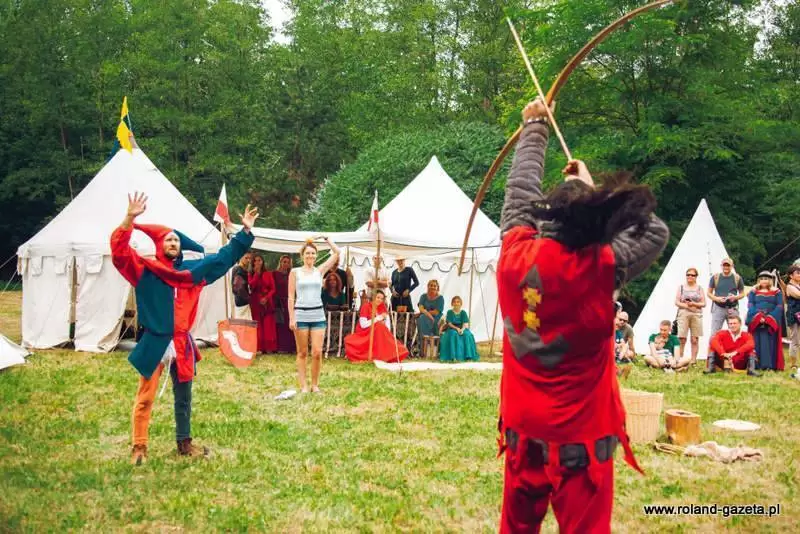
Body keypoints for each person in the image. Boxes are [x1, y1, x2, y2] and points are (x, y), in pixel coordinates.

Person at [496, 98, 669, 533]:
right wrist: (594, 194)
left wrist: (535, 126)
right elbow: (655, 229)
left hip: (523, 429)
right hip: (583, 439)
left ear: (547, 219)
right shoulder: (600, 265)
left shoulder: (514, 254)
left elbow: (519, 196)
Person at [111, 192, 256, 465]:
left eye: (176, 240)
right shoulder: (145, 270)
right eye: (168, 239)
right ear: (159, 244)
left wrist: (245, 233)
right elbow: (120, 253)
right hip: (155, 340)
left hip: (182, 342)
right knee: (146, 397)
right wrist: (129, 219)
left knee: (184, 397)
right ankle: (139, 446)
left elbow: (223, 259)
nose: (173, 243)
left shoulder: (193, 271)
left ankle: (184, 443)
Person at [288, 237, 340, 393]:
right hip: (301, 315)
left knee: (317, 352)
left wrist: (327, 239)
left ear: (316, 256)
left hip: (318, 315)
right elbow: (290, 296)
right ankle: (303, 385)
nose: (310, 256)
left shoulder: (320, 271)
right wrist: (292, 317)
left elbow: (337, 252)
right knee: (302, 352)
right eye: (307, 253)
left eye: (313, 253)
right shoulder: (295, 272)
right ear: (302, 255)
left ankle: (315, 385)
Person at [344, 289, 409, 363]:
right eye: (378, 297)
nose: (380, 300)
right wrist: (378, 318)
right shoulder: (366, 306)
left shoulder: (383, 307)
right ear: (373, 297)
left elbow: (387, 325)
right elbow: (363, 325)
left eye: (382, 298)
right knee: (378, 325)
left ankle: (392, 353)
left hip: (379, 333)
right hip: (366, 332)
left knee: (380, 327)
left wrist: (385, 331)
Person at [745, 271, 784, 371]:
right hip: (756, 320)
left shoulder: (777, 292)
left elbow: (779, 306)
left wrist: (768, 319)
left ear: (770, 280)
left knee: (770, 342)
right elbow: (750, 305)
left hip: (771, 320)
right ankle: (756, 365)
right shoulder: (753, 291)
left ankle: (770, 365)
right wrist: (759, 317)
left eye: (766, 279)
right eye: (762, 279)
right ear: (759, 280)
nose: (764, 281)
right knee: (756, 342)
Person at [675, 267, 706, 365]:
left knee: (694, 339)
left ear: (696, 277)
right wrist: (687, 306)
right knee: (682, 338)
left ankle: (693, 360)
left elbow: (704, 303)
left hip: (696, 314)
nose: (690, 276)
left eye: (692, 275)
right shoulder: (681, 287)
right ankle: (680, 359)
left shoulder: (699, 288)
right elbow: (676, 302)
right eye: (688, 275)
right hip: (683, 313)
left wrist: (694, 304)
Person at [707, 258, 745, 337]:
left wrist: (735, 297)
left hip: (733, 308)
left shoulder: (737, 278)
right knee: (715, 333)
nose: (726, 267)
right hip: (718, 307)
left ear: (732, 266)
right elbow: (709, 293)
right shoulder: (715, 277)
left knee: (735, 332)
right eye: (724, 265)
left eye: (728, 265)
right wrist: (717, 299)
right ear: (721, 266)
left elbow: (742, 294)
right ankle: (713, 346)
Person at [249, 254, 277, 354]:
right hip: (255, 301)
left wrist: (266, 298)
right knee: (258, 324)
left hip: (267, 301)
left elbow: (273, 289)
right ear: (252, 263)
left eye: (259, 260)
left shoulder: (268, 274)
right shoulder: (250, 274)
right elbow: (251, 286)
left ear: (262, 262)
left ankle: (269, 347)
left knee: (268, 324)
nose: (257, 262)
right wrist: (256, 274)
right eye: (255, 260)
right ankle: (259, 347)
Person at [439, 296, 479, 362]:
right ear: (452, 303)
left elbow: (465, 323)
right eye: (454, 302)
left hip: (462, 328)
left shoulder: (463, 312)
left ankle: (468, 356)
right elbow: (449, 323)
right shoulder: (450, 312)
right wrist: (457, 328)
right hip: (452, 328)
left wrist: (462, 330)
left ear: (461, 303)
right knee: (453, 334)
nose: (456, 303)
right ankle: (453, 356)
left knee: (467, 334)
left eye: (458, 302)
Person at [273, 255, 296, 353]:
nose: (286, 264)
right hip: (278, 302)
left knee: (289, 323)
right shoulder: (274, 274)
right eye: (284, 262)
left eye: (288, 262)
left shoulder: (292, 275)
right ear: (280, 262)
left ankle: (291, 347)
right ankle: (281, 347)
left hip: (289, 301)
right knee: (280, 324)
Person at [785, 265, 800, 379]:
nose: (799, 275)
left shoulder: (798, 285)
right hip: (793, 316)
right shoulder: (790, 287)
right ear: (791, 275)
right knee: (795, 341)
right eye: (797, 273)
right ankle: (793, 365)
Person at [231, 251, 252, 319]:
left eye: (250, 258)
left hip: (241, 302)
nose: (248, 260)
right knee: (245, 324)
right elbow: (238, 287)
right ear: (240, 257)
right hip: (242, 304)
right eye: (246, 258)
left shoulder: (238, 269)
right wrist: (248, 298)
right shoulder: (239, 270)